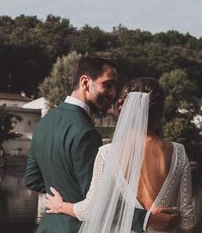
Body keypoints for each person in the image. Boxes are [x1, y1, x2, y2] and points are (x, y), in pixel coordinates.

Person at [25, 57, 180, 233]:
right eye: (107, 84)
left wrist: (62, 200)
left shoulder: (44, 123)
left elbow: (32, 179)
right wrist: (147, 219)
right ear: (85, 82)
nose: (113, 93)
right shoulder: (86, 133)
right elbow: (100, 202)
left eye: (115, 86)